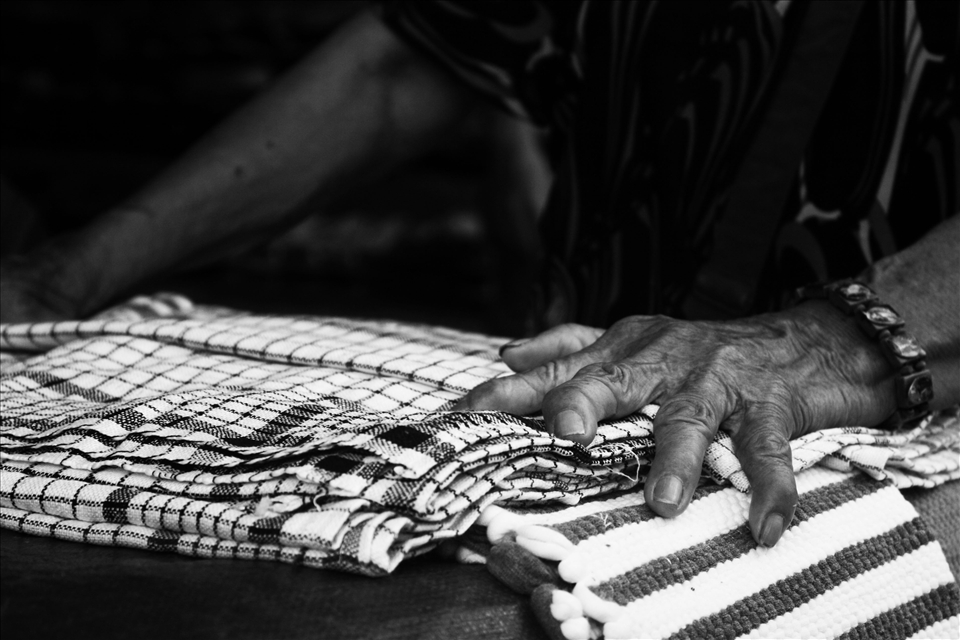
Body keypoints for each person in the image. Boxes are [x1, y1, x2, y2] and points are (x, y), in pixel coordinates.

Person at [1, 0, 957, 551]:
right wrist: (61, 281)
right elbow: (421, 55)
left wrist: (831, 348)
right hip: (602, 383)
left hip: (894, 438)